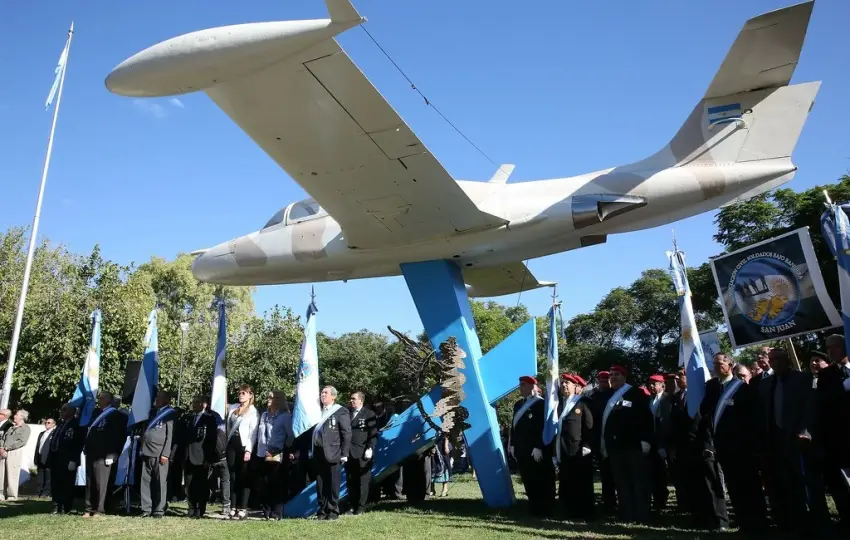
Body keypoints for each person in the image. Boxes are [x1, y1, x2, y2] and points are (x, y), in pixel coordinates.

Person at [700, 353, 768, 534]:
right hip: (723, 447)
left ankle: (759, 525)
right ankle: (744, 524)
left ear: (730, 365)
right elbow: (705, 411)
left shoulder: (743, 389)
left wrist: (754, 446)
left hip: (743, 448)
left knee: (750, 487)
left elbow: (754, 419)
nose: (716, 367)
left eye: (720, 363)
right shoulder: (713, 389)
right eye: (714, 364)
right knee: (734, 487)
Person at [670, 367, 728, 531]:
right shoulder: (678, 397)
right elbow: (675, 424)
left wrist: (709, 445)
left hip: (703, 445)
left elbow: (708, 420)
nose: (678, 378)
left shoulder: (704, 395)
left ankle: (719, 521)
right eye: (677, 375)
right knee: (692, 485)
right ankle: (699, 518)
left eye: (681, 375)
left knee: (711, 484)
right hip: (685, 447)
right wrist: (674, 446)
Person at [600, 365, 653, 524]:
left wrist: (645, 439)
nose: (613, 377)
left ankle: (642, 515)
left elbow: (645, 417)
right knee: (621, 483)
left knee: (638, 482)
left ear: (624, 376)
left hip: (633, 445)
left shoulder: (635, 393)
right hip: (615, 448)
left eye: (617, 374)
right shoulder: (609, 395)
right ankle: (626, 514)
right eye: (611, 375)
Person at [510, 375, 555, 518]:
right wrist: (512, 444)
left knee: (540, 479)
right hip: (521, 449)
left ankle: (544, 509)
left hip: (535, 449)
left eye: (523, 385)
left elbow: (543, 427)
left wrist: (539, 446)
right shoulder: (518, 404)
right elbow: (513, 427)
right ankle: (533, 507)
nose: (521, 388)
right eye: (520, 385)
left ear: (532, 386)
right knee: (528, 479)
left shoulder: (541, 404)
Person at [819, 334, 850, 532]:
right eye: (828, 348)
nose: (831, 351)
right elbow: (824, 401)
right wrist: (843, 388)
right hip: (840, 436)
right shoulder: (826, 374)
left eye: (835, 347)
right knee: (841, 482)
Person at [555, 374, 595, 521]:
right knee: (567, 481)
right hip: (564, 448)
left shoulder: (583, 402)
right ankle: (568, 511)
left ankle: (585, 513)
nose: (564, 385)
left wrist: (587, 445)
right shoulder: (559, 404)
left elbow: (589, 425)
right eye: (562, 383)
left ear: (575, 386)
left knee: (582, 482)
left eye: (568, 383)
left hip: (579, 449)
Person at [83, 392, 127, 517]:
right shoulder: (96, 413)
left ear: (108, 400)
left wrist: (113, 454)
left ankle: (99, 509)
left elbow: (119, 437)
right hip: (92, 452)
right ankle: (89, 508)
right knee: (90, 482)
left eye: (101, 398)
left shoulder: (117, 415)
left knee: (101, 483)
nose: (99, 399)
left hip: (105, 454)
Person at [312, 386, 351, 520]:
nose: (322, 394)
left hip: (333, 452)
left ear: (333, 396)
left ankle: (333, 510)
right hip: (318, 452)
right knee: (320, 483)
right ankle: (322, 510)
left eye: (326, 393)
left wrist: (344, 453)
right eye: (322, 392)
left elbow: (346, 433)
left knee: (333, 483)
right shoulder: (317, 411)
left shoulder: (340, 411)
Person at [184, 395, 226, 519]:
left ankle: (200, 509)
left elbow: (211, 440)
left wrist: (208, 458)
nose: (194, 404)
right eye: (193, 402)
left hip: (202, 457)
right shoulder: (189, 417)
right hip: (189, 456)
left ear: (204, 404)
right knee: (189, 484)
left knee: (201, 484)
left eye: (197, 402)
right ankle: (191, 508)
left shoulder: (209, 419)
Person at [256, 390, 294, 520]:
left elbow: (290, 436)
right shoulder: (264, 415)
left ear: (278, 400)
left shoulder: (285, 416)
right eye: (268, 397)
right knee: (265, 483)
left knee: (277, 483)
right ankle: (266, 511)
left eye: (271, 397)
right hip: (263, 452)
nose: (268, 399)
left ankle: (276, 513)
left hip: (278, 453)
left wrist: (283, 450)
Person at [139, 391, 177, 518]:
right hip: (147, 451)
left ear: (166, 400)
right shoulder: (152, 412)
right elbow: (145, 430)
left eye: (159, 397)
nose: (156, 399)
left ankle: (159, 509)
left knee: (160, 482)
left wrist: (165, 454)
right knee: (145, 481)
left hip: (160, 452)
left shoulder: (170, 413)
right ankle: (146, 508)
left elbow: (170, 435)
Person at [225, 384, 259, 520]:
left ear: (250, 395)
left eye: (243, 393)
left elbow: (253, 433)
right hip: (231, 444)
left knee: (244, 477)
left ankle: (243, 508)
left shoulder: (253, 411)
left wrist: (248, 450)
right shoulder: (233, 407)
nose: (240, 395)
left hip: (244, 445)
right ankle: (233, 507)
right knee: (233, 476)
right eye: (239, 393)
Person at [49, 404, 85, 514]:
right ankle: (56, 506)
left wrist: (74, 459)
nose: (62, 412)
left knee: (67, 484)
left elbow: (78, 444)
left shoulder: (77, 424)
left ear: (72, 411)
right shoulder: (61, 424)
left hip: (68, 459)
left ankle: (66, 507)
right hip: (56, 457)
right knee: (56, 483)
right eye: (61, 410)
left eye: (64, 410)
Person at [346, 391, 377, 515]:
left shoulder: (369, 414)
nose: (351, 401)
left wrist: (370, 448)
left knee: (363, 481)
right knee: (351, 480)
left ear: (361, 400)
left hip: (362, 452)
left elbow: (373, 433)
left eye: (354, 398)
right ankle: (352, 505)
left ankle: (360, 507)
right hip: (349, 452)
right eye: (351, 398)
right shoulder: (347, 413)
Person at [647, 373, 671, 514]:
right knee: (653, 473)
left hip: (665, 441)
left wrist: (665, 444)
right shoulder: (648, 400)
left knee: (663, 473)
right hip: (651, 442)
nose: (651, 386)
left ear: (662, 385)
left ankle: (662, 500)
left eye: (654, 384)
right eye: (650, 384)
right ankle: (656, 501)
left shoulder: (668, 399)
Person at [0, 409, 32, 501]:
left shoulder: (25, 428)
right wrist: (2, 447)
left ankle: (11, 495)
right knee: (2, 473)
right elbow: (3, 438)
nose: (14, 416)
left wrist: (7, 448)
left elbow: (21, 441)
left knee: (12, 474)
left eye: (17, 415)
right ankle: (1, 493)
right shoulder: (11, 427)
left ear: (22, 417)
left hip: (14, 452)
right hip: (4, 451)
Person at [34, 417, 56, 498]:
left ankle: (45, 493)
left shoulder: (54, 433)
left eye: (49, 422)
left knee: (48, 477)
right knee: (40, 476)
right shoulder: (42, 433)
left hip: (48, 458)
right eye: (46, 422)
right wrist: (36, 458)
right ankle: (38, 493)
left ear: (53, 424)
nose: (47, 424)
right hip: (40, 457)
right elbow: (38, 446)